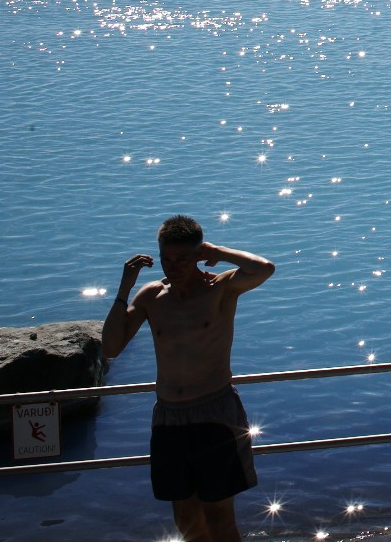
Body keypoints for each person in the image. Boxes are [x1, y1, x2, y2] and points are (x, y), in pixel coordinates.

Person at [103, 216, 275, 542]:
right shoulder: (151, 296)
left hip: (214, 413)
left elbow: (264, 268)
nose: (173, 266)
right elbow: (110, 348)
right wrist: (124, 288)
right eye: (167, 259)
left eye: (183, 258)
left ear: (198, 255)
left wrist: (219, 251)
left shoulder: (221, 288)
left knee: (219, 517)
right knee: (185, 517)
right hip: (169, 418)